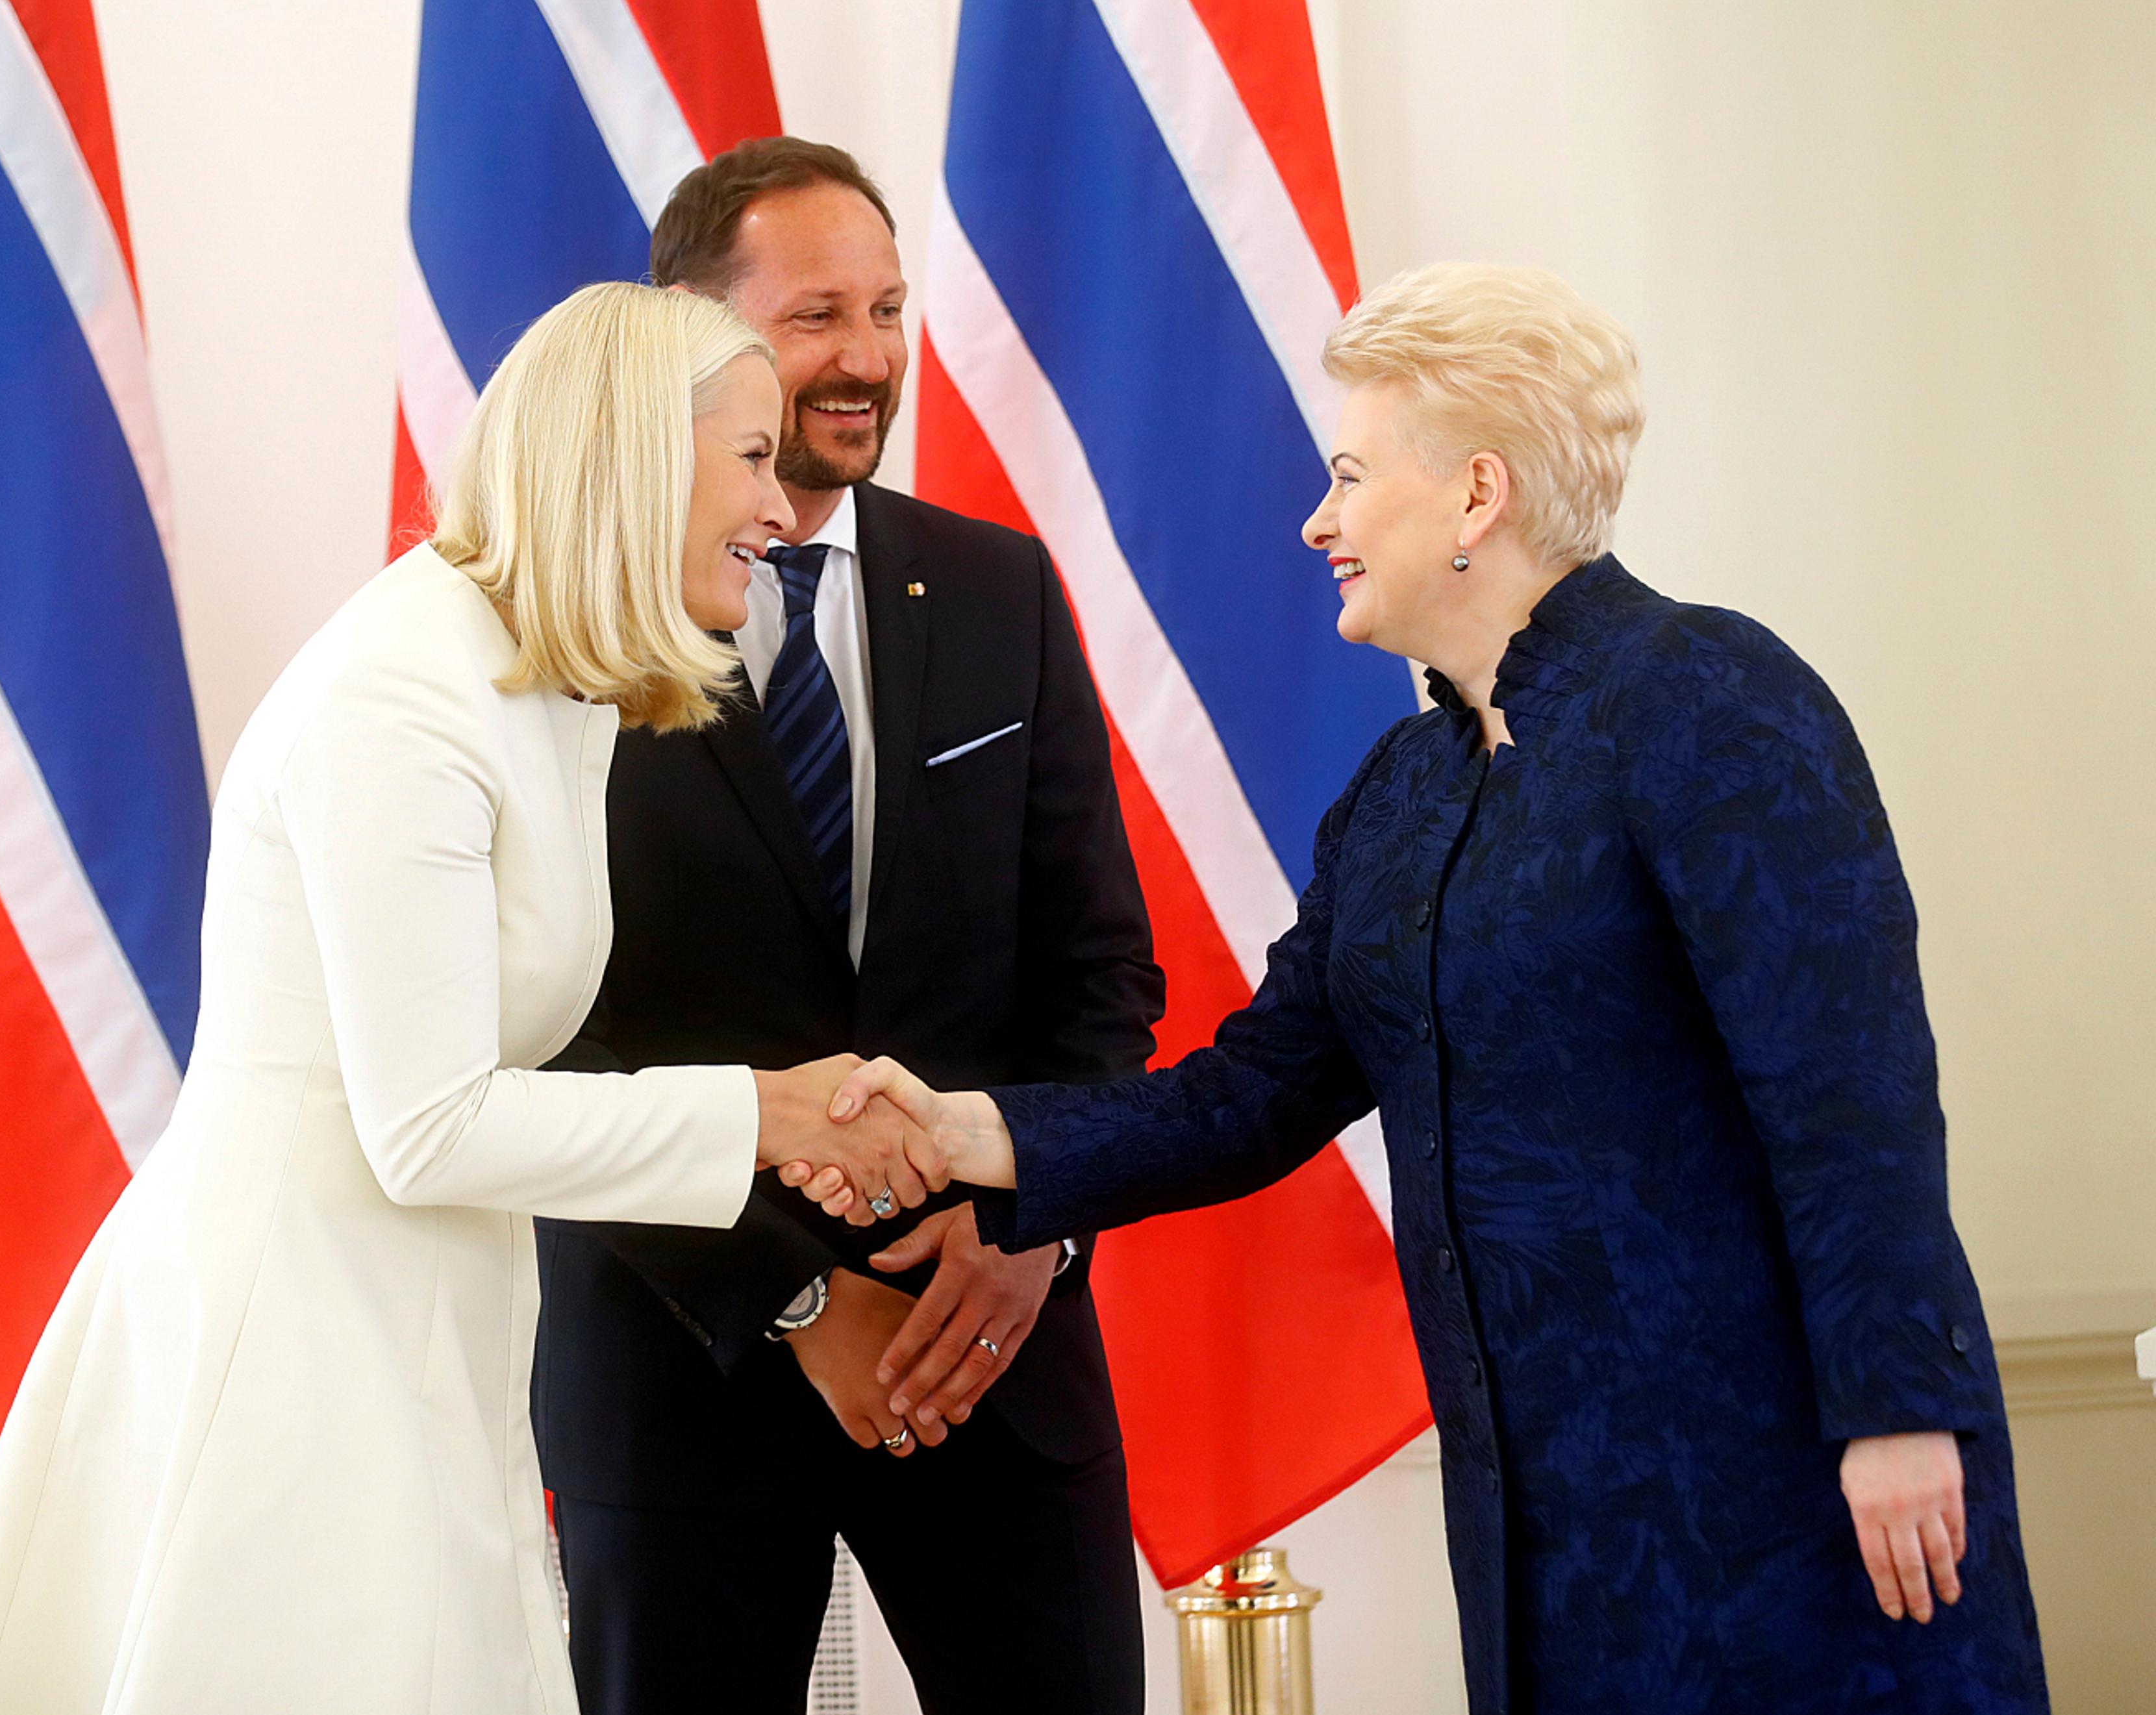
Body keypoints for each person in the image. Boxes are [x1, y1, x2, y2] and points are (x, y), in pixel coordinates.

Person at [820, 265, 2051, 1714]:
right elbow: (1249, 1095)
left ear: (1477, 495)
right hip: (1537, 1511)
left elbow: (1850, 1091)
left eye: (1349, 477)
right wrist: (964, 1131)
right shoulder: (1404, 788)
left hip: (1786, 1476)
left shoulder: (1709, 694)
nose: (1318, 522)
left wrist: (1899, 1410)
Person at [0, 284, 942, 1715]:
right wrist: (767, 1115)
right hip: (295, 1343)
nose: (784, 505)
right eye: (755, 457)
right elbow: (430, 1126)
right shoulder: (400, 696)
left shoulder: (538, 683)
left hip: (424, 1328)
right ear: (639, 453)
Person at [531, 140, 1162, 1715]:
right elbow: (550, 1034)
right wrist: (799, 1298)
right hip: (683, 1371)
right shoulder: (565, 629)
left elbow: (1101, 975)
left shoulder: (1002, 589)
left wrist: (1030, 1225)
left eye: (887, 309)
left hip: (990, 1351)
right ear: (693, 334)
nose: (871, 357)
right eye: (818, 315)